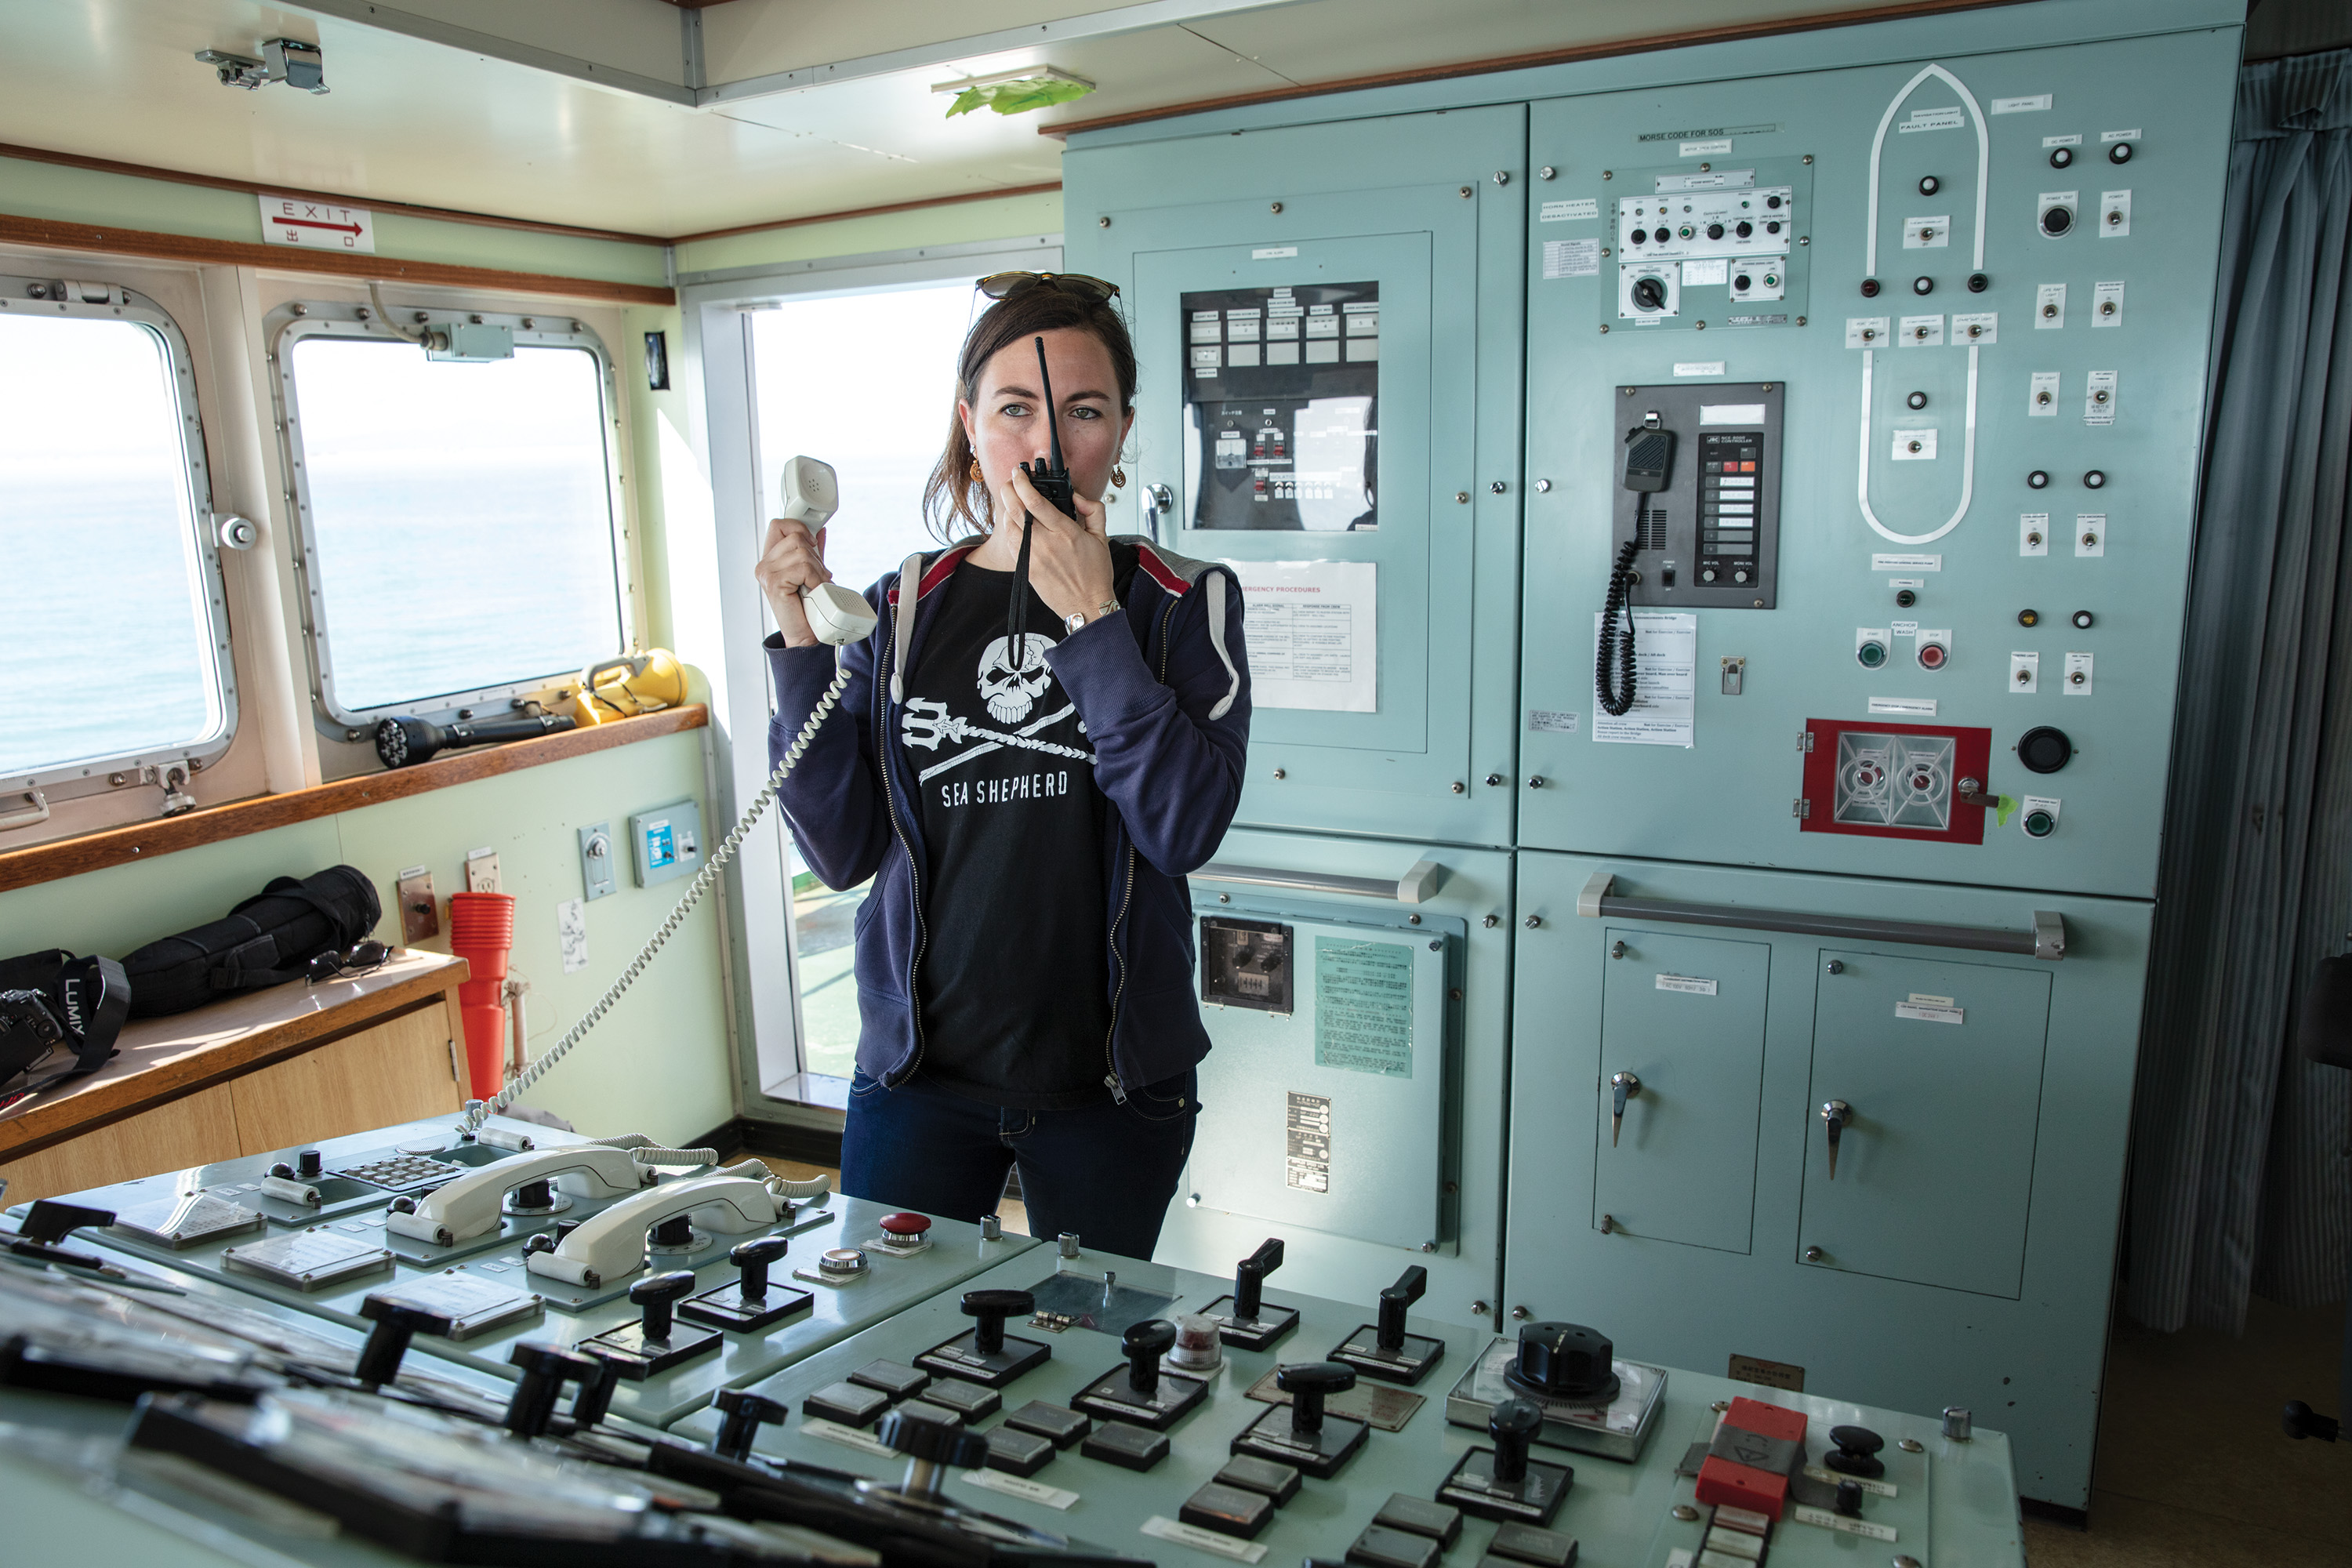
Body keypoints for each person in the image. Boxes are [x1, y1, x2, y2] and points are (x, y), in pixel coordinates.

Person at [754, 272, 1250, 1259]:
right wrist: (799, 644)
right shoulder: (906, 607)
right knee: (885, 1342)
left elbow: (1182, 827)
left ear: (1123, 429)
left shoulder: (1182, 600)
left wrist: (1092, 617)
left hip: (1109, 1091)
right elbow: (844, 848)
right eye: (1017, 409)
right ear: (970, 423)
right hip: (918, 1081)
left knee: (1094, 1351)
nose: (1050, 447)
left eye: (1085, 412)